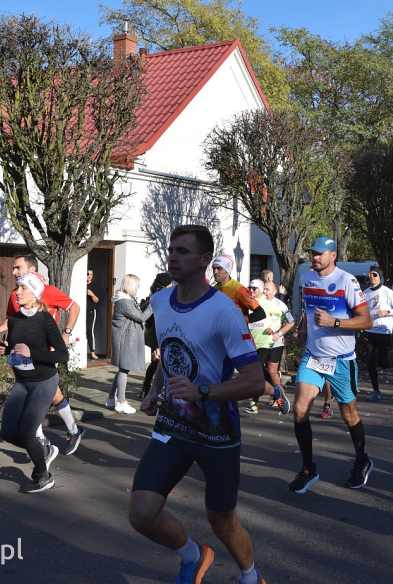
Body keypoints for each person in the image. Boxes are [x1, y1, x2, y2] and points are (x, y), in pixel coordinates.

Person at [128, 224, 266, 584]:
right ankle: (194, 555)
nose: (173, 256)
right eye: (171, 249)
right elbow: (168, 353)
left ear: (206, 260)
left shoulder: (224, 310)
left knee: (222, 520)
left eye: (183, 251)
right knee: (141, 514)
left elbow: (254, 381)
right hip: (173, 424)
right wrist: (155, 390)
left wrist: (202, 393)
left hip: (216, 432)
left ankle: (251, 577)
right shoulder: (160, 301)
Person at [288, 236, 374, 494]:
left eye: (320, 253)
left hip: (341, 360)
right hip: (313, 356)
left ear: (333, 255)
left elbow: (366, 320)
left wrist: (335, 322)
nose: (315, 257)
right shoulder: (306, 278)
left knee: (349, 414)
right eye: (313, 253)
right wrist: (303, 329)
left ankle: (362, 460)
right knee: (300, 409)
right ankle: (307, 468)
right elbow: (308, 310)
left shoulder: (347, 281)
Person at [0, 255, 84, 454]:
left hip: (45, 354)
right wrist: (0, 330)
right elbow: (12, 319)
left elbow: (74, 307)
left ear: (31, 270)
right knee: (47, 395)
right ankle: (64, 434)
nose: (14, 272)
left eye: (18, 268)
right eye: (13, 268)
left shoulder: (47, 292)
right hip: (23, 357)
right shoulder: (16, 294)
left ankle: (43, 443)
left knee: (42, 396)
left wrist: (66, 333)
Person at [0, 272, 69, 493]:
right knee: (8, 433)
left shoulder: (44, 319)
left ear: (34, 293)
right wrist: (5, 349)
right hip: (22, 381)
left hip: (44, 381)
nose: (17, 292)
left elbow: (62, 355)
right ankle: (43, 451)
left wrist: (33, 352)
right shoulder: (15, 319)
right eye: (17, 288)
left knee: (27, 433)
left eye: (22, 289)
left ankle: (43, 476)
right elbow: (15, 348)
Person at [243, 279, 293, 415]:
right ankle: (277, 390)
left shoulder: (273, 304)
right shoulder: (248, 302)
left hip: (266, 342)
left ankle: (255, 403)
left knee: (259, 370)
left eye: (255, 289)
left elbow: (287, 320)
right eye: (250, 288)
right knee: (261, 371)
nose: (252, 291)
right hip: (250, 341)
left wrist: (276, 331)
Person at [106, 274, 152, 415]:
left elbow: (137, 311)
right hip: (124, 339)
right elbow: (141, 317)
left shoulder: (126, 300)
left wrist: (148, 302)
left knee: (123, 369)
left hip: (125, 338)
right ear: (131, 285)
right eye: (137, 285)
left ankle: (111, 398)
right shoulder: (124, 302)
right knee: (124, 370)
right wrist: (153, 305)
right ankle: (121, 402)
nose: (138, 287)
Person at [361, 266, 393, 402]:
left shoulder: (387, 292)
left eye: (375, 275)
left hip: (384, 331)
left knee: (383, 363)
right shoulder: (365, 293)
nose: (372, 277)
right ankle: (376, 391)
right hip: (369, 330)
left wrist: (387, 312)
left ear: (379, 277)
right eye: (370, 275)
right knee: (370, 362)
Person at [141, 273, 173, 400]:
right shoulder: (161, 297)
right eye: (170, 283)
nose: (172, 285)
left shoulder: (155, 294)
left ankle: (146, 390)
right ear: (165, 285)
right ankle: (155, 391)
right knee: (160, 363)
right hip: (158, 334)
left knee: (156, 363)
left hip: (154, 333)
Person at [211, 255, 266, 324]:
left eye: (219, 268)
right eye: (214, 268)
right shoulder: (212, 290)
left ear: (227, 270)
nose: (215, 272)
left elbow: (260, 314)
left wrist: (237, 321)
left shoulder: (239, 289)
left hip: (237, 333)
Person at [86, 268, 101, 360]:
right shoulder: (81, 285)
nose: (89, 276)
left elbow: (97, 300)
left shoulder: (95, 286)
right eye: (88, 274)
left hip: (91, 311)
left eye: (91, 274)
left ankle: (92, 352)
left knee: (90, 331)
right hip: (82, 311)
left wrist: (91, 294)